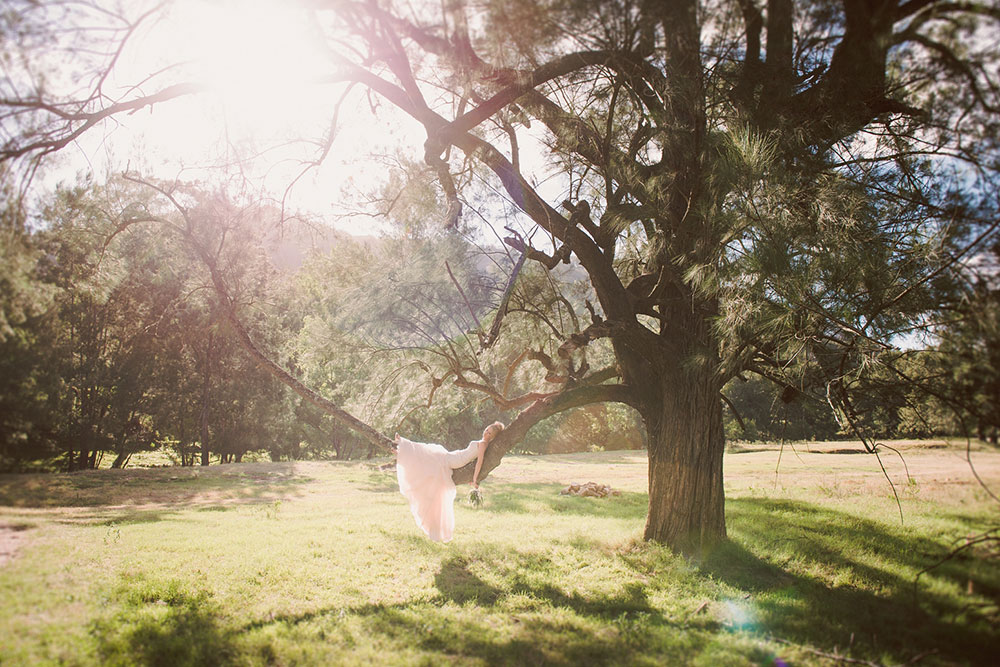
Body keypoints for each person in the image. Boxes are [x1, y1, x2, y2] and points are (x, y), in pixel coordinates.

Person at [393, 421, 504, 542]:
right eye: (486, 430)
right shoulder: (482, 442)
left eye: (489, 433)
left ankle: (402, 447)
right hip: (455, 455)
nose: (486, 433)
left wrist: (475, 479)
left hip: (455, 460)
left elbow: (479, 462)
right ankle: (402, 449)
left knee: (428, 454)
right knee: (429, 453)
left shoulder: (483, 444)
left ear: (493, 437)